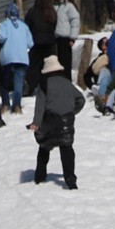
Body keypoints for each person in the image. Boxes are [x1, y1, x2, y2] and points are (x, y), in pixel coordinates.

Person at [29, 56, 84, 190]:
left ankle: (40, 176)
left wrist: (36, 123)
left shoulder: (44, 84)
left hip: (50, 120)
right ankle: (70, 179)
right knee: (67, 148)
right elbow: (81, 99)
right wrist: (72, 111)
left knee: (44, 146)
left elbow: (40, 107)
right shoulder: (67, 83)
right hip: (67, 120)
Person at [0, 6, 32, 116]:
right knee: (19, 83)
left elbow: (1, 37)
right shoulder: (24, 26)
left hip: (7, 57)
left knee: (5, 82)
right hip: (22, 58)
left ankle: (5, 104)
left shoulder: (4, 24)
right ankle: (17, 105)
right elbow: (30, 43)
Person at [24, 0, 57, 96]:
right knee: (49, 67)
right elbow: (54, 25)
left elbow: (27, 25)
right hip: (50, 43)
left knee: (34, 68)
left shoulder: (32, 12)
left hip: (37, 42)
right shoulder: (52, 12)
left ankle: (30, 88)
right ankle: (49, 88)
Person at [53, 0, 80, 77]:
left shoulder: (69, 6)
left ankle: (66, 81)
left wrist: (73, 37)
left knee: (65, 63)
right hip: (54, 39)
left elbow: (75, 22)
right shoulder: (52, 7)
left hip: (65, 38)